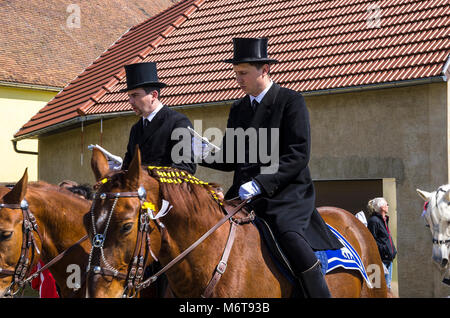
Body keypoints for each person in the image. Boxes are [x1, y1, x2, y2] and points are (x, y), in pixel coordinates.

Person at [198, 38, 342, 298]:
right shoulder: (239, 108)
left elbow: (297, 154)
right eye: (236, 74)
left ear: (264, 69)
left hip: (286, 195)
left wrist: (261, 183)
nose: (238, 79)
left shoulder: (290, 101)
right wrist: (201, 152)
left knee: (290, 237)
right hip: (244, 196)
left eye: (243, 73)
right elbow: (231, 156)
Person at [120, 62, 196, 174]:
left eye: (135, 95)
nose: (130, 101)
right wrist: (118, 171)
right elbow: (129, 165)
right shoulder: (136, 129)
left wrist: (145, 175)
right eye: (129, 96)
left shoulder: (178, 122)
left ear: (154, 95)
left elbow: (186, 168)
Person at [367, 197, 397, 290]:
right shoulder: (374, 221)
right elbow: (371, 240)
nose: (388, 206)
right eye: (386, 204)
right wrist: (384, 249)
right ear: (381, 207)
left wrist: (392, 252)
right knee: (379, 288)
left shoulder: (384, 220)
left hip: (388, 259)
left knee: (387, 287)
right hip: (381, 260)